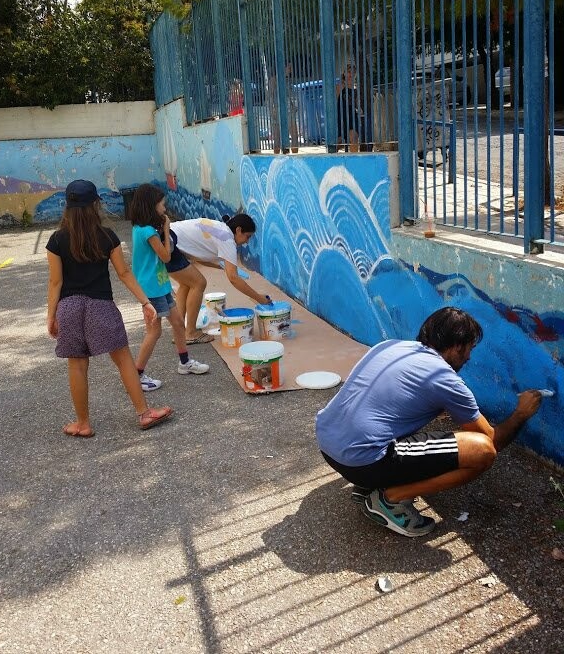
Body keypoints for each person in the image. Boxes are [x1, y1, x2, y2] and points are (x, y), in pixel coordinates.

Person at [315, 307, 543, 538]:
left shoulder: (392, 346)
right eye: (469, 349)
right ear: (457, 347)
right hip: (361, 462)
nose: (469, 357)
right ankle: (389, 500)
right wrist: (521, 414)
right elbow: (493, 441)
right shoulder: (443, 378)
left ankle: (369, 483)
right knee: (482, 451)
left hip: (328, 446)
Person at [46, 179, 173, 438]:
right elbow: (125, 273)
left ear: (67, 207)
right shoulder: (107, 236)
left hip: (69, 307)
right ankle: (144, 413)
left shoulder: (57, 239)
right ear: (96, 204)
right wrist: (146, 302)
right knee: (124, 359)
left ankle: (82, 423)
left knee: (78, 365)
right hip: (100, 307)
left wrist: (51, 315)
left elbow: (55, 281)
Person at [129, 184, 209, 390]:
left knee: (177, 322)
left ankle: (185, 363)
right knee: (153, 333)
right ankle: (136, 374)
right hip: (150, 289)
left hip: (160, 284)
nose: (164, 209)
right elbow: (165, 256)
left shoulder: (141, 228)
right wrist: (166, 229)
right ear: (151, 206)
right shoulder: (147, 231)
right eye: (162, 205)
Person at [167, 214, 273, 342]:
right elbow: (233, 278)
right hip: (170, 241)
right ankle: (190, 333)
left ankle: (180, 333)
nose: (247, 241)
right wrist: (258, 298)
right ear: (238, 230)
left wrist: (223, 267)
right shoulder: (227, 239)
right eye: (247, 236)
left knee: (186, 284)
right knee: (199, 283)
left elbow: (199, 258)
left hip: (166, 237)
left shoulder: (221, 229)